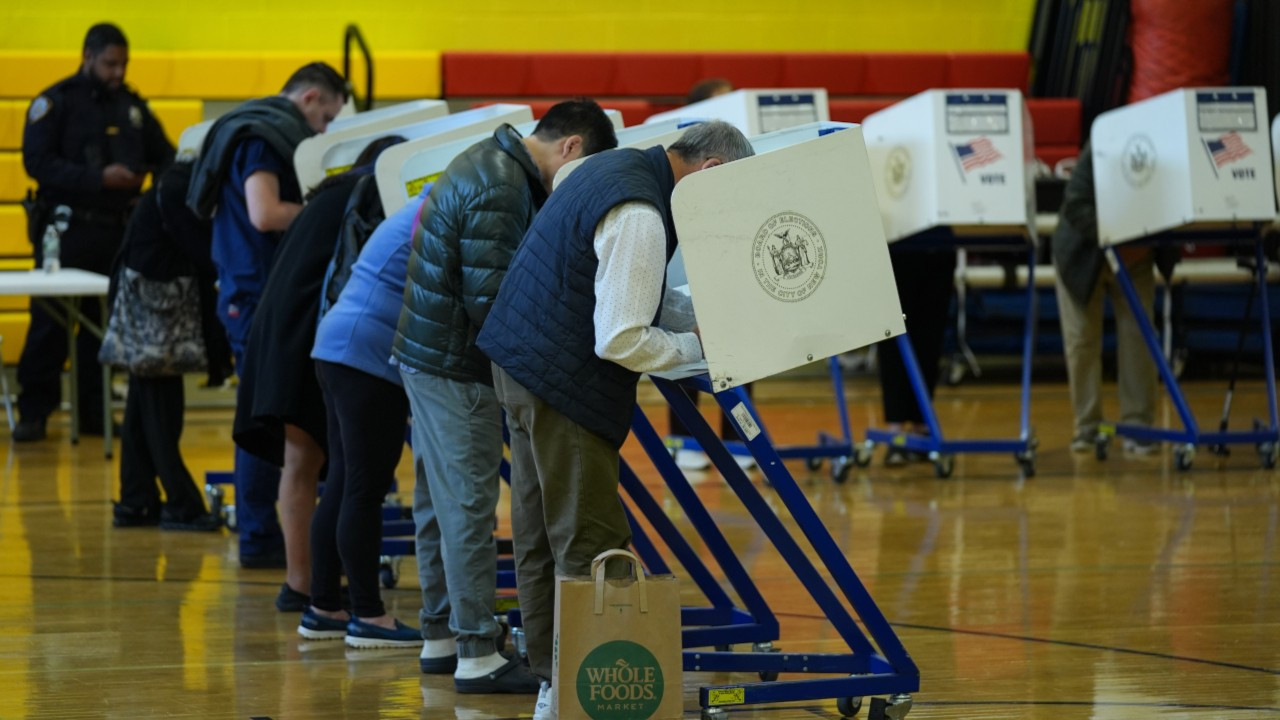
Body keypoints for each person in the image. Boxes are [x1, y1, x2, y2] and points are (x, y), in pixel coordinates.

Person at [476, 120, 755, 719]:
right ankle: (590, 700)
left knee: (539, 538)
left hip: (518, 365)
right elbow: (622, 337)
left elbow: (628, 287)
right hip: (562, 384)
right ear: (710, 171)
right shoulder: (643, 212)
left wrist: (694, 318)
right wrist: (700, 349)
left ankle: (554, 688)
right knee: (589, 545)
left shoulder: (612, 167)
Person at [393, 101, 618, 692]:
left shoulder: (493, 163)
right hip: (455, 364)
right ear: (571, 146)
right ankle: (476, 652)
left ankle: (442, 635)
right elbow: (492, 300)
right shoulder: (502, 184)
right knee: (469, 504)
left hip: (428, 354)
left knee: (438, 502)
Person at [186, 62, 347, 575]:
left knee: (267, 411)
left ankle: (264, 532)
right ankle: (258, 535)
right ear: (310, 97)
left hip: (249, 288)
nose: (323, 129)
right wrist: (332, 212)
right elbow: (265, 212)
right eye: (326, 117)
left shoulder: (252, 123)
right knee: (264, 415)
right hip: (256, 292)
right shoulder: (264, 135)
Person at [235, 135, 404, 618]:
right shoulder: (368, 195)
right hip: (302, 332)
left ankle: (309, 584)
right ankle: (304, 585)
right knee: (308, 460)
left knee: (306, 461)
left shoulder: (334, 192)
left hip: (284, 327)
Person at [15, 22, 174, 442]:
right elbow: (37, 162)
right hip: (66, 230)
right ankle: (34, 411)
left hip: (116, 233)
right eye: (110, 64)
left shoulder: (132, 107)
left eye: (124, 64)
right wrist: (98, 178)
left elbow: (168, 158)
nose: (118, 72)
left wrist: (148, 197)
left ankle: (95, 412)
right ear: (87, 57)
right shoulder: (56, 102)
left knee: (102, 329)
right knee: (49, 325)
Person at [299, 181, 432, 648]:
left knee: (343, 482)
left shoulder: (418, 204)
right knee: (364, 488)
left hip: (338, 344)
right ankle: (369, 616)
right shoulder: (436, 211)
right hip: (367, 355)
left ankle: (324, 607)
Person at [109, 160, 227, 531]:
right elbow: (206, 254)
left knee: (142, 411)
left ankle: (136, 500)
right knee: (162, 414)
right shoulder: (180, 187)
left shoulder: (177, 180)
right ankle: (182, 504)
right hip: (157, 311)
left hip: (149, 305)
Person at [1053, 140, 1164, 454]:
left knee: (1139, 337)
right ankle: (1087, 427)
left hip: (1136, 256)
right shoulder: (1103, 145)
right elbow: (1075, 204)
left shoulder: (1168, 154)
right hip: (1083, 252)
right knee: (1081, 340)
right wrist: (1118, 236)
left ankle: (1138, 426)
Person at [875, 248, 957, 465]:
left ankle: (921, 424)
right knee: (892, 335)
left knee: (930, 336)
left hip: (936, 246)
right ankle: (896, 429)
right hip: (894, 247)